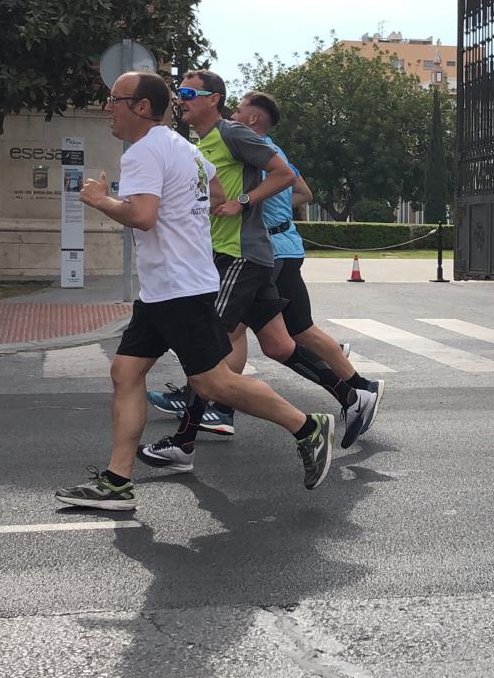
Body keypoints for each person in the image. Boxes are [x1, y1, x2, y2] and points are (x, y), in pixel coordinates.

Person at [53, 71, 334, 510]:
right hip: (163, 288)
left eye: (114, 99)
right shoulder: (186, 148)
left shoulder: (143, 153)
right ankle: (117, 482)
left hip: (180, 289)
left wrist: (99, 199)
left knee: (215, 381)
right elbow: (217, 189)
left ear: (141, 107)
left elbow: (143, 216)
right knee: (125, 373)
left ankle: (308, 427)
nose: (108, 107)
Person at [138, 70, 378, 473]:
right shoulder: (203, 142)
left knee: (206, 347)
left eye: (187, 93)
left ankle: (184, 442)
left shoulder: (233, 134)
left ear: (213, 99)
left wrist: (244, 202)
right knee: (280, 346)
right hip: (242, 256)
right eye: (178, 93)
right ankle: (353, 396)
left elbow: (285, 175)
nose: (180, 100)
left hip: (239, 257)